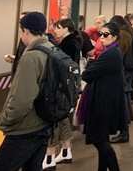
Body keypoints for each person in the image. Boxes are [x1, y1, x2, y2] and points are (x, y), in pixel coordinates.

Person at [0, 12, 52, 171]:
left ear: (26, 31)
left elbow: (22, 100)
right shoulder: (51, 49)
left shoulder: (30, 57)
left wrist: (7, 120)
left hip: (25, 128)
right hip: (44, 123)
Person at [78, 22, 128, 171]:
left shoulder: (110, 54)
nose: (102, 37)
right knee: (102, 140)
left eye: (106, 34)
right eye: (101, 34)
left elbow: (87, 74)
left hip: (103, 104)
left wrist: (91, 65)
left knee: (100, 141)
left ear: (114, 37)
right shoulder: (111, 52)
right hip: (105, 102)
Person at [42, 18, 81, 169]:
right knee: (64, 118)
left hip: (61, 87)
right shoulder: (75, 41)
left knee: (55, 120)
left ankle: (49, 158)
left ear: (66, 29)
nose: (55, 31)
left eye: (58, 28)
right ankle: (66, 152)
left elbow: (59, 67)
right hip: (69, 86)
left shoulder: (66, 45)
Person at [108, 16, 133, 144]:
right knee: (124, 102)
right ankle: (123, 132)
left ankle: (124, 133)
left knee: (123, 104)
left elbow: (120, 54)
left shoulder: (123, 35)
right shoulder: (129, 32)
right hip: (128, 72)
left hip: (123, 73)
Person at [4, 12, 27, 76]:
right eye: (19, 21)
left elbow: (28, 61)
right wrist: (14, 59)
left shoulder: (30, 40)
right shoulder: (23, 37)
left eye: (22, 20)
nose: (20, 23)